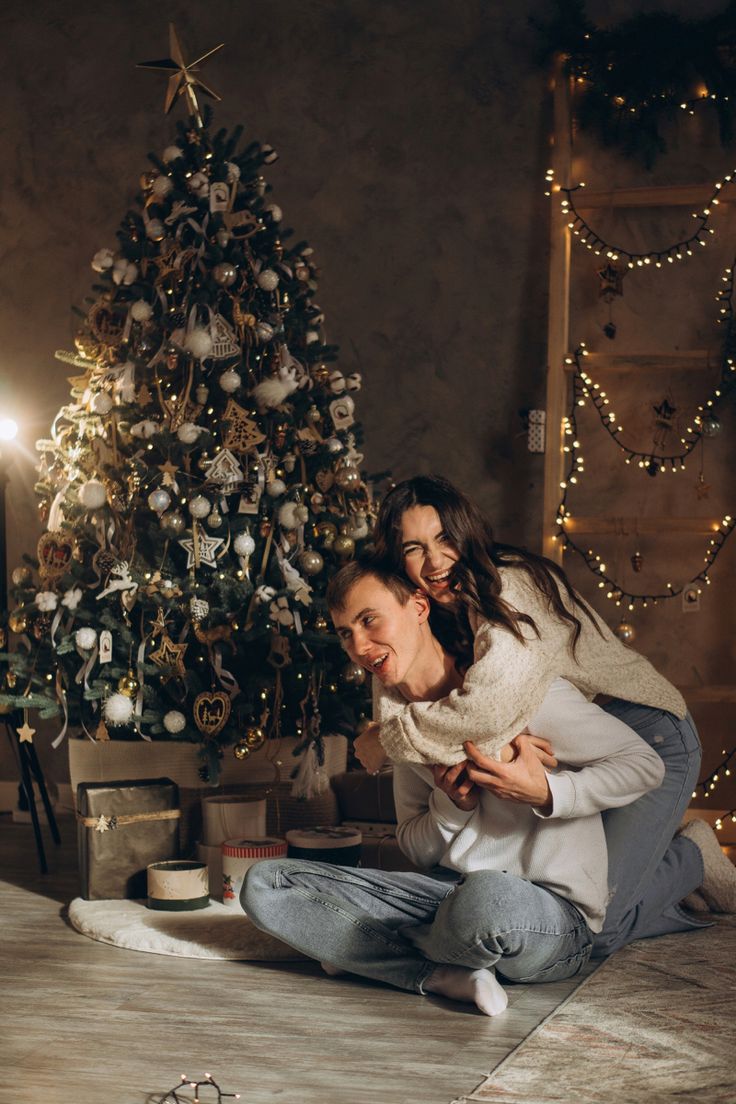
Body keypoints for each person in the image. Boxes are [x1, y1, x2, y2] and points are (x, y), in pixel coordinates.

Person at [243, 561, 674, 1017]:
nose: (360, 646)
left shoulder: (519, 692)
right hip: (443, 895)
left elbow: (645, 765)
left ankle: (366, 950)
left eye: (369, 620)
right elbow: (415, 845)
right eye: (346, 633)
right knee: (267, 883)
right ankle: (439, 973)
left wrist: (546, 792)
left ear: (418, 606)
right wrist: (452, 805)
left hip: (547, 914)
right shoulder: (403, 724)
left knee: (485, 900)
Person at [355, 474, 735, 947]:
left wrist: (383, 740)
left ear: (466, 531)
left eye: (445, 538)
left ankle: (691, 856)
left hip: (650, 733)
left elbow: (489, 714)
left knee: (593, 927)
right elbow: (398, 683)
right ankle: (657, 882)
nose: (434, 561)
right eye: (414, 548)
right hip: (576, 743)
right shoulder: (423, 608)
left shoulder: (512, 585)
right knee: (567, 911)